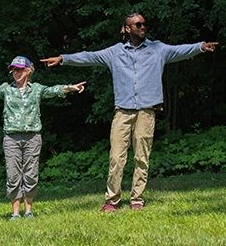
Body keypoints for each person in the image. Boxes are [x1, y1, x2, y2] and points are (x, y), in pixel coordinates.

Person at [40, 13, 218, 212]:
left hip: (146, 111)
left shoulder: (157, 49)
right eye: (138, 24)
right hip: (122, 112)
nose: (143, 27)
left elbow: (179, 50)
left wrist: (200, 47)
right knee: (116, 157)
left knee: (142, 157)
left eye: (144, 24)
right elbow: (88, 56)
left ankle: (137, 200)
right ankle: (112, 200)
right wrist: (63, 59)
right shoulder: (114, 52)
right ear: (127, 28)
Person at [0, 56, 86, 220]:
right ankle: (15, 213)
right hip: (11, 138)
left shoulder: (37, 89)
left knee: (31, 174)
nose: (16, 72)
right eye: (13, 69)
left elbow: (53, 90)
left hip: (33, 137)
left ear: (28, 70)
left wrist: (71, 88)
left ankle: (28, 211)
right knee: (13, 175)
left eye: (19, 69)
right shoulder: (6, 89)